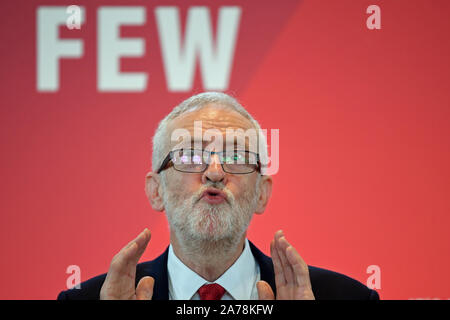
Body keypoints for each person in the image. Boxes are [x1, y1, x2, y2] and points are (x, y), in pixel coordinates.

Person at [57, 92, 379, 300]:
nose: (214, 172)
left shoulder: (345, 297)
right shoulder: (86, 299)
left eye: (237, 158)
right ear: (156, 190)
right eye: (191, 156)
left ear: (262, 194)